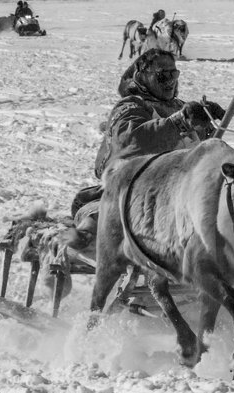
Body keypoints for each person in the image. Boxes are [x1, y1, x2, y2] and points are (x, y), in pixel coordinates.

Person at [63, 48, 225, 252]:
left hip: (184, 189)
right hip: (134, 188)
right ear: (143, 77)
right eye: (162, 75)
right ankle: (88, 235)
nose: (170, 81)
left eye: (174, 74)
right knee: (110, 212)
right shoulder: (130, 106)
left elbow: (200, 150)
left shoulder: (180, 107)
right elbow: (131, 141)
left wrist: (208, 126)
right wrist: (180, 123)